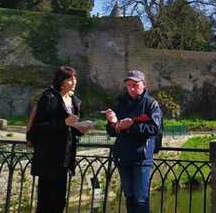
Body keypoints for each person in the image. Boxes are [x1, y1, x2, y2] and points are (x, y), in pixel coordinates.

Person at [27, 66, 91, 213]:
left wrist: (80, 128)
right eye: (70, 78)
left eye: (75, 78)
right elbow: (38, 127)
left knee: (59, 202)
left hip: (65, 158)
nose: (74, 81)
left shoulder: (74, 101)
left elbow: (70, 128)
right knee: (46, 201)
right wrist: (64, 123)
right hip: (48, 157)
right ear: (61, 81)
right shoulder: (49, 97)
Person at [104, 70, 162, 213]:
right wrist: (112, 123)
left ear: (144, 85)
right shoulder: (120, 102)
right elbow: (111, 131)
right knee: (129, 196)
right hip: (123, 156)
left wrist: (131, 127)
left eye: (135, 85)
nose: (131, 88)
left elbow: (155, 128)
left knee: (141, 198)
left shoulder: (150, 103)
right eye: (129, 85)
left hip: (141, 157)